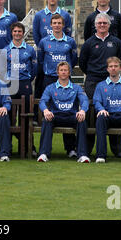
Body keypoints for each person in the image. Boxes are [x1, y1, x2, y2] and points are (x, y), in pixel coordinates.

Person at [79, 12, 121, 157]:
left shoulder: (116, 42)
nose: (102, 25)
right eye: (99, 23)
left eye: (105, 23)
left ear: (109, 25)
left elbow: (119, 61)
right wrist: (93, 74)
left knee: (114, 110)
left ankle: (116, 149)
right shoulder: (89, 43)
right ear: (95, 25)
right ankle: (88, 149)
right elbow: (82, 64)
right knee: (93, 114)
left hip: (111, 81)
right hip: (93, 82)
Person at [37, 13, 78, 157]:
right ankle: (45, 150)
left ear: (64, 25)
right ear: (50, 25)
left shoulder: (70, 42)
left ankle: (71, 149)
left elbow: (73, 60)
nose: (57, 25)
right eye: (54, 23)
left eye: (59, 23)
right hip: (49, 79)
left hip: (66, 79)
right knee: (49, 113)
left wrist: (64, 72)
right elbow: (41, 61)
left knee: (68, 110)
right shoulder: (44, 42)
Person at [32, 0, 73, 126]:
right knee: (43, 95)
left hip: (64, 72)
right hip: (48, 69)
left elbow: (73, 57)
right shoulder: (39, 15)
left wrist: (65, 67)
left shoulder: (65, 15)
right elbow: (37, 37)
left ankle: (66, 118)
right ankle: (40, 118)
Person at [37, 61, 90, 163]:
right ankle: (44, 154)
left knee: (82, 121)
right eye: (61, 70)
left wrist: (82, 110)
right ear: (57, 72)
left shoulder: (76, 88)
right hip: (56, 116)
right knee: (47, 120)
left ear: (69, 72)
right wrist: (46, 110)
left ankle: (82, 155)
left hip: (71, 116)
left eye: (66, 70)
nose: (63, 72)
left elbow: (84, 100)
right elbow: (43, 101)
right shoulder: (50, 88)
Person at [4, 22, 37, 156]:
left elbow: (34, 69)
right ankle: (8, 147)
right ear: (11, 33)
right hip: (10, 84)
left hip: (25, 84)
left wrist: (28, 78)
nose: (17, 34)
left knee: (26, 117)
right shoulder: (5, 50)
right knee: (10, 117)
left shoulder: (29, 50)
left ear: (23, 33)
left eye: (20, 31)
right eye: (15, 31)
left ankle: (29, 147)